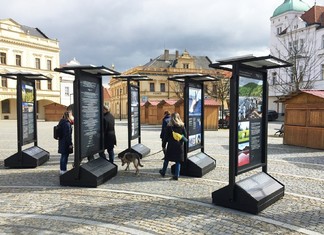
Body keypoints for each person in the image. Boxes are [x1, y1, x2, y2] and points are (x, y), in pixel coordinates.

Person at [160, 112, 187, 180]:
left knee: (166, 159)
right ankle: (176, 175)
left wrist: (163, 145)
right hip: (179, 146)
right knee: (178, 161)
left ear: (171, 118)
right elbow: (185, 136)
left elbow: (165, 137)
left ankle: (163, 172)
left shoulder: (169, 126)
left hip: (171, 146)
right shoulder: (182, 126)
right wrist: (180, 140)